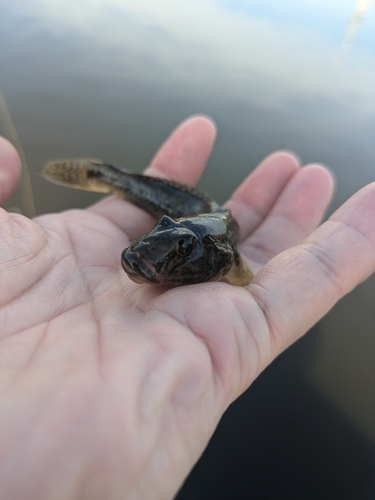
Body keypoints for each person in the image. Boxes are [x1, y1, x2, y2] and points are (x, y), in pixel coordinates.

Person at [0, 116, 374, 500]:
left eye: (178, 250)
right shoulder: (178, 238)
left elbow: (234, 267)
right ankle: (105, 176)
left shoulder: (220, 254)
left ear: (222, 259)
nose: (139, 262)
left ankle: (109, 177)